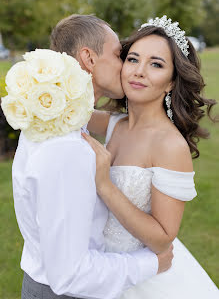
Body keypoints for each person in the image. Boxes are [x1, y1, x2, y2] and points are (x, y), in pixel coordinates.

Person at [13, 15, 173, 299]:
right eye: (118, 55)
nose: (126, 66)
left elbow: (114, 122)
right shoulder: (67, 148)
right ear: (88, 58)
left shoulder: (53, 119)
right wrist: (150, 264)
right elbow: (70, 275)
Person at [83, 16, 219, 298]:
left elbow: (161, 240)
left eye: (156, 64)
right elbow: (67, 110)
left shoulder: (169, 145)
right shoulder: (114, 124)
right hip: (105, 268)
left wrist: (105, 186)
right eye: (132, 59)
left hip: (146, 279)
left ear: (171, 82)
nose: (139, 72)